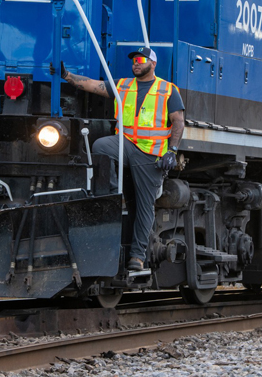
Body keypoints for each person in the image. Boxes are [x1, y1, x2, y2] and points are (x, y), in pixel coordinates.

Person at [61, 47, 184, 272]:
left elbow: (178, 121)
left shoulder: (168, 90)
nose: (135, 63)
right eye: (133, 60)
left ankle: (137, 257)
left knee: (144, 206)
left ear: (153, 64)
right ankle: (110, 193)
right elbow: (91, 84)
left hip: (150, 154)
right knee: (100, 145)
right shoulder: (123, 85)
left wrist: (172, 151)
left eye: (140, 59)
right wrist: (67, 75)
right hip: (125, 145)